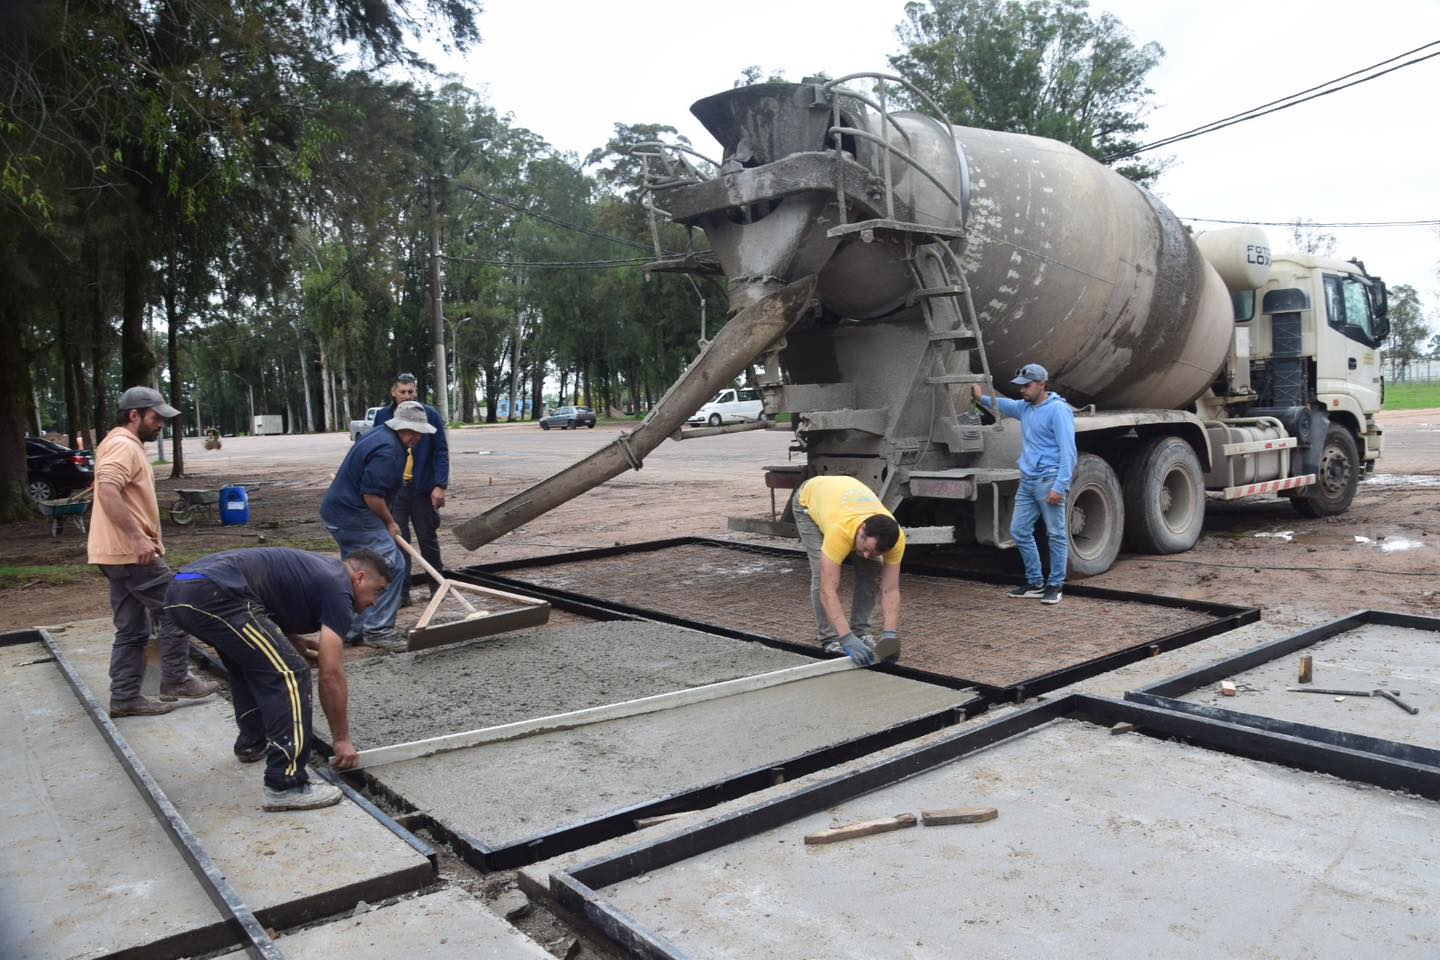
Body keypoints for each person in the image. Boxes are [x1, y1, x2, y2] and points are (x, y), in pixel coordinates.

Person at [164, 547, 390, 811]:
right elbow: (331, 673)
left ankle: (252, 742)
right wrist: (341, 738)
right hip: (216, 593)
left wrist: (292, 641)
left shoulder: (321, 572)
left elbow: (269, 603)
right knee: (291, 674)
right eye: (378, 591)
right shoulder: (341, 591)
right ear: (360, 577)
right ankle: (285, 784)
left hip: (181, 591)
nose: (374, 602)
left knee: (252, 665)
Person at [87, 386, 219, 717]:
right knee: (176, 607)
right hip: (133, 554)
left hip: (113, 554)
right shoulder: (123, 445)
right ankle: (175, 679)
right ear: (134, 415)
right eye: (156, 417)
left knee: (132, 628)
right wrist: (136, 537)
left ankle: (125, 698)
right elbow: (107, 490)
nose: (161, 424)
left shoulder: (116, 442)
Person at [319, 399, 434, 650]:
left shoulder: (380, 435)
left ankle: (351, 629)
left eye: (420, 433)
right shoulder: (388, 451)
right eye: (413, 432)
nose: (418, 438)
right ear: (400, 426)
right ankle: (378, 629)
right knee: (391, 565)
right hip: (354, 515)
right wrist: (390, 523)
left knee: (356, 572)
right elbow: (372, 496)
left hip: (340, 512)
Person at [972, 363, 1077, 605]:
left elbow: (1068, 451)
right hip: (1028, 481)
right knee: (1019, 530)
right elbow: (1004, 405)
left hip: (1049, 479)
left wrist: (1059, 486)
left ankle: (1055, 585)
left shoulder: (1058, 410)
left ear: (1041, 384)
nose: (1022, 390)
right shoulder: (1025, 407)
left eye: (1027, 386)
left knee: (1056, 534)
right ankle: (1035, 583)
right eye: (1020, 386)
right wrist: (980, 398)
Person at [792, 475, 905, 666]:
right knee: (822, 575)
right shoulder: (840, 531)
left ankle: (860, 632)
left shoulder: (897, 540)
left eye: (875, 551)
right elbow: (828, 590)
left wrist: (889, 635)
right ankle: (829, 640)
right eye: (866, 548)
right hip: (808, 499)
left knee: (871, 571)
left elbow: (891, 589)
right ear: (862, 530)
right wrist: (845, 637)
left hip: (842, 496)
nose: (867, 555)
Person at [373, 373, 449, 607]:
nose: (407, 396)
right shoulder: (383, 417)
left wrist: (439, 485)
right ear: (393, 393)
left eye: (411, 392)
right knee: (399, 541)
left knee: (427, 538)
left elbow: (441, 451)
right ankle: (402, 593)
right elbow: (378, 452)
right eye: (402, 392)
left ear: (416, 392)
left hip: (423, 489)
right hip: (396, 490)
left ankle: (437, 587)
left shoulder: (430, 415)